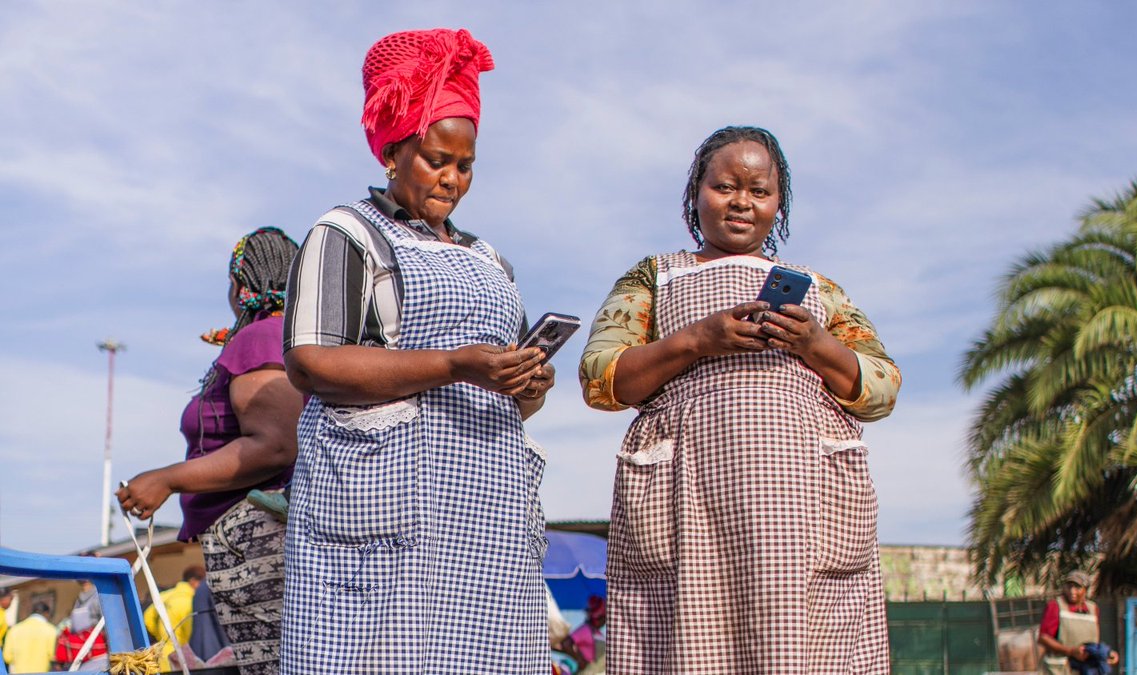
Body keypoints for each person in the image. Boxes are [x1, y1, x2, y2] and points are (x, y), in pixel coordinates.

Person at [279, 28, 554, 674]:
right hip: (384, 515)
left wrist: (525, 385)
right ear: (394, 150)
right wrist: (455, 363)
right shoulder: (346, 234)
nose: (452, 179)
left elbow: (504, 391)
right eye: (436, 159)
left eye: (465, 165)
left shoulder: (490, 260)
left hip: (484, 520)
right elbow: (311, 362)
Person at [579, 126, 901, 673]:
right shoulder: (654, 278)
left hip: (802, 516)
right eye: (725, 186)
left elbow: (882, 387)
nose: (741, 204)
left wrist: (814, 344)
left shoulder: (817, 290)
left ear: (780, 203)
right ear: (695, 191)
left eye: (759, 191)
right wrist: (698, 341)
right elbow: (600, 376)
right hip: (688, 509)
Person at [116, 226, 304, 675]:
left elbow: (275, 445)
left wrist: (167, 478)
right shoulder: (279, 337)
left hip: (255, 539)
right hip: (255, 537)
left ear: (242, 285)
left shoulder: (261, 336)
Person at [1038, 570, 1120, 674]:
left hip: (1085, 669)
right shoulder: (1055, 606)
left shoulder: (1092, 608)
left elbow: (1094, 642)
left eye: (1077, 587)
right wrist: (1071, 651)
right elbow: (1043, 638)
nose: (1072, 591)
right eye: (1069, 586)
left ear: (1085, 590)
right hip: (1059, 669)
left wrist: (1107, 654)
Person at [142, 565, 205, 671]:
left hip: (161, 656)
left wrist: (162, 637)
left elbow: (147, 618)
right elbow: (193, 632)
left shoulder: (164, 595)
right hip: (181, 659)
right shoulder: (190, 601)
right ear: (193, 581)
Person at [2, 602, 56, 674]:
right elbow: (53, 656)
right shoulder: (51, 630)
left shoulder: (14, 629)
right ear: (46, 613)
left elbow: (7, 657)